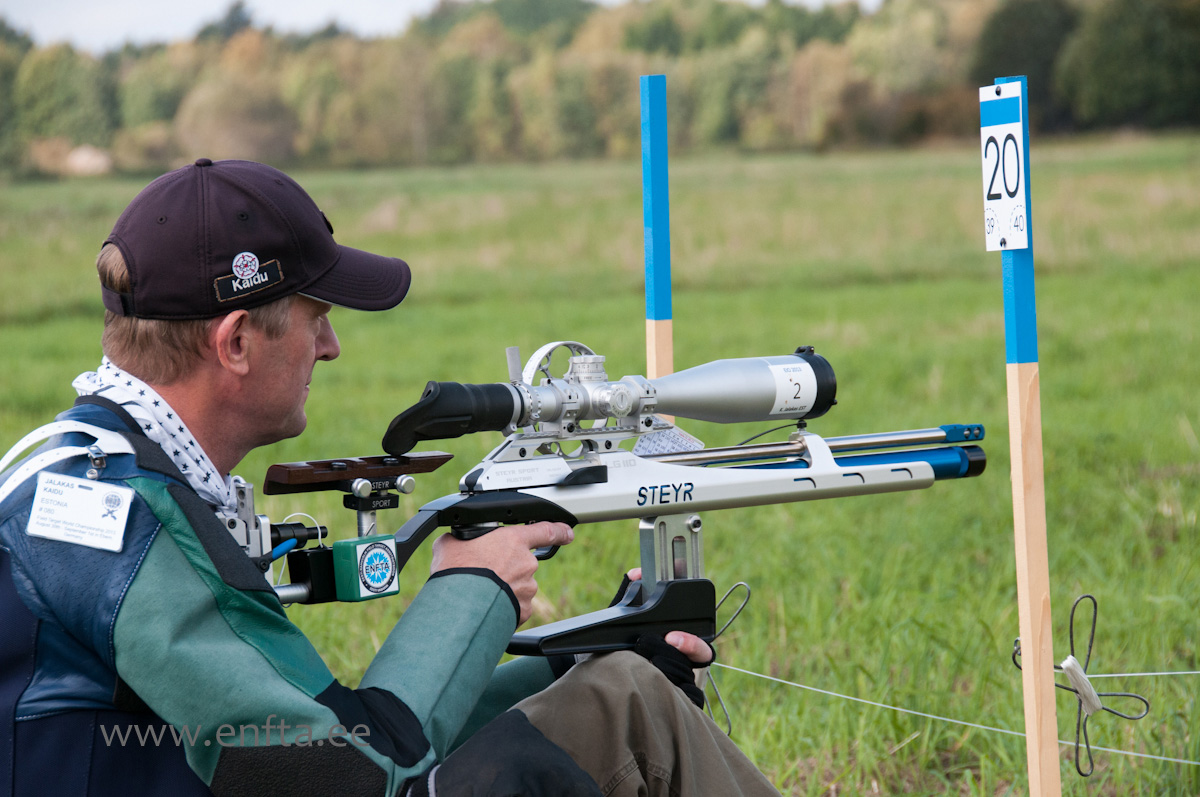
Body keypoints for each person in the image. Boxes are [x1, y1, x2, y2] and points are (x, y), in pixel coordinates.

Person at [0, 158, 780, 796]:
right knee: (631, 708)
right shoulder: (113, 520)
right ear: (236, 342)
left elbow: (322, 728)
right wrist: (474, 588)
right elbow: (348, 771)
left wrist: (572, 655)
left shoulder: (96, 471)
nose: (332, 346)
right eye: (316, 318)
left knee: (616, 683)